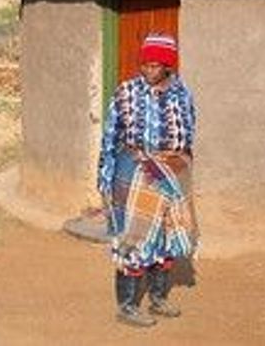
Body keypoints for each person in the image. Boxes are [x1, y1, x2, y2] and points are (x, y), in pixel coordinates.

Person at [97, 33, 199, 328]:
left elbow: (189, 135)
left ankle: (158, 299)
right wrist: (104, 176)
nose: (148, 70)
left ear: (167, 66)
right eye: (145, 64)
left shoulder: (183, 95)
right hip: (134, 171)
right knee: (134, 239)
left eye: (155, 65)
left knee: (165, 239)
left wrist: (177, 167)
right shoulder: (126, 93)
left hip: (172, 173)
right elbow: (110, 137)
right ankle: (127, 306)